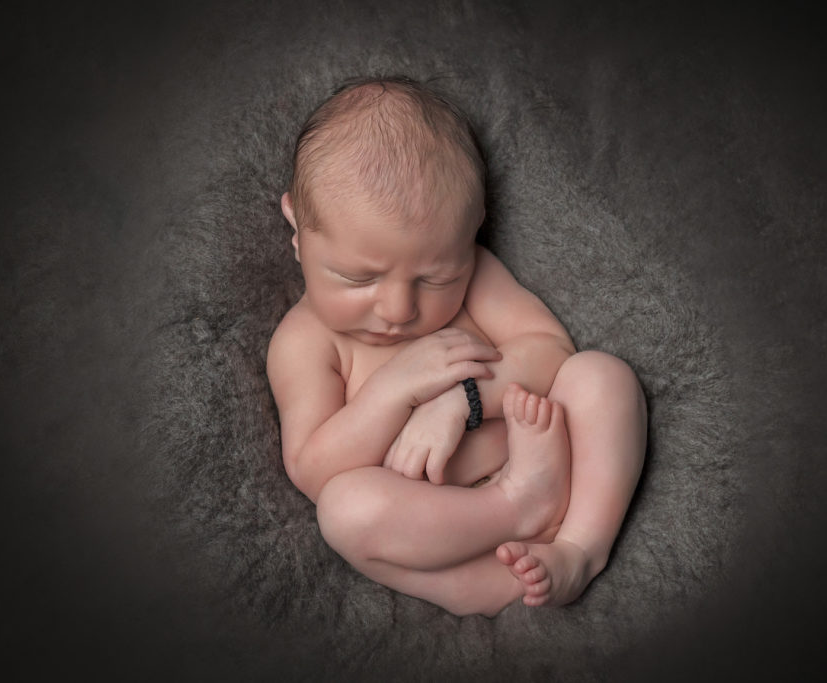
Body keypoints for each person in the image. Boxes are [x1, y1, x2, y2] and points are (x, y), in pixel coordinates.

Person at [267, 76, 646, 617]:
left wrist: (461, 401)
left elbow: (549, 351)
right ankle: (511, 534)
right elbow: (311, 467)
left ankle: (581, 549)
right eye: (357, 278)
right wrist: (392, 391)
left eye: (436, 278)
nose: (399, 311)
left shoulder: (475, 276)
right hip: (450, 528)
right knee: (344, 511)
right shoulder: (305, 341)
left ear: (472, 235)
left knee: (601, 376)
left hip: (546, 454)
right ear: (298, 230)